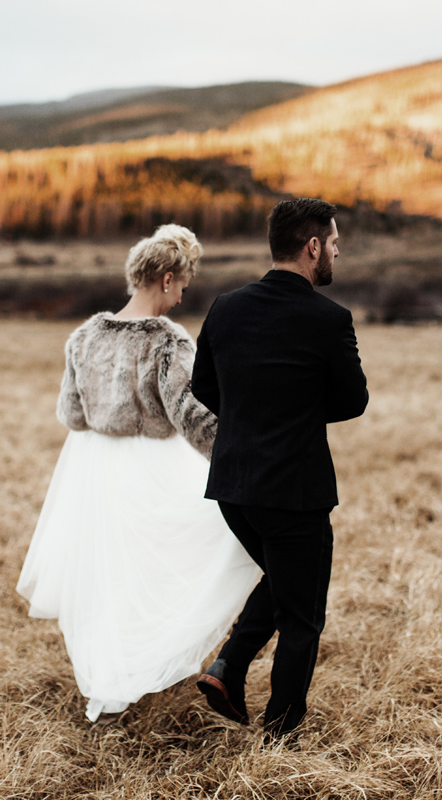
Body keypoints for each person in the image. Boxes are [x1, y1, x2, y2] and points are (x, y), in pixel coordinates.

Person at [16, 224, 260, 724]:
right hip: (151, 469)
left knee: (107, 576)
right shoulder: (167, 341)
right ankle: (134, 669)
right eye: (183, 288)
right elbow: (190, 416)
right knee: (188, 557)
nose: (180, 299)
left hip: (94, 468)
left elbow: (72, 414)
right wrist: (238, 453)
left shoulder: (83, 337)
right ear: (167, 279)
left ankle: (109, 687)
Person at [191, 198, 368, 740]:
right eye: (334, 244)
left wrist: (250, 414)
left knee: (289, 581)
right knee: (303, 615)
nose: (337, 253)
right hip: (294, 490)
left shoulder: (225, 307)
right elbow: (353, 399)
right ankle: (282, 734)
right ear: (312, 246)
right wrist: (297, 411)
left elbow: (203, 387)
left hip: (233, 487)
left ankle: (228, 668)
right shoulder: (329, 319)